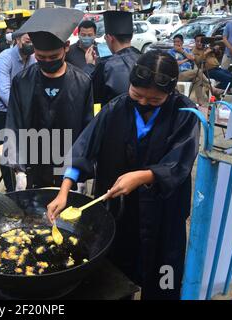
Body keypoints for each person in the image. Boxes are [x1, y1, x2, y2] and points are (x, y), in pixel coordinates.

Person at [47, 50, 200, 300]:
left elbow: (180, 160)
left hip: (163, 213)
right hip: (120, 211)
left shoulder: (185, 113)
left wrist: (143, 175)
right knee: (116, 276)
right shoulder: (115, 107)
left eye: (154, 100)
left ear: (170, 93)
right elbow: (84, 148)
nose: (142, 103)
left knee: (163, 276)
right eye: (137, 94)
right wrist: (64, 191)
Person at [4, 8, 93, 191]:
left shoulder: (82, 82)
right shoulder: (21, 82)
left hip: (68, 169)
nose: (47, 61)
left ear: (66, 47)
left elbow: (87, 131)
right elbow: (13, 125)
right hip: (33, 167)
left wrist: (81, 173)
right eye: (41, 57)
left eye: (53, 57)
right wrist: (19, 170)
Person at [0, 32, 36, 192]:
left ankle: (25, 181)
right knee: (6, 149)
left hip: (22, 108)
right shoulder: (5, 57)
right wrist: (22, 112)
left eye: (33, 41)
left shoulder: (32, 58)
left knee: (26, 145)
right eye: (27, 40)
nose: (31, 44)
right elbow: (4, 92)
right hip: (1, 109)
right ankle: (10, 189)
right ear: (17, 39)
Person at [88, 11, 140, 106]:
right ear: (132, 36)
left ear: (109, 38)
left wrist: (90, 66)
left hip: (115, 119)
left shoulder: (106, 67)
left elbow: (91, 97)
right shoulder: (145, 59)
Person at [168, 34, 222, 105]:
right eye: (175, 42)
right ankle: (212, 88)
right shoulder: (171, 52)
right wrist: (186, 59)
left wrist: (182, 51)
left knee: (197, 79)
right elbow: (175, 63)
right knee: (198, 71)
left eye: (178, 41)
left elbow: (193, 58)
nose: (176, 43)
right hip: (179, 74)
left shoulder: (186, 50)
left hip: (190, 74)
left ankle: (200, 102)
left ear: (182, 42)